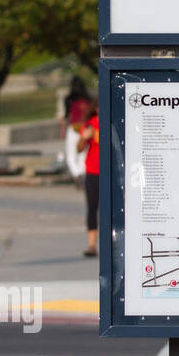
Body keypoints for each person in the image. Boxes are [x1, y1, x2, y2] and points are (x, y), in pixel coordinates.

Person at [78, 99, 100, 257]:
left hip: (111, 173)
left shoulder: (115, 121)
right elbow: (79, 149)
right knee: (92, 208)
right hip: (93, 171)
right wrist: (84, 138)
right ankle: (92, 245)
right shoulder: (90, 125)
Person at [62, 78, 90, 183]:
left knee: (71, 154)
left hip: (73, 128)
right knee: (83, 154)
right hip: (85, 128)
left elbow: (67, 116)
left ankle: (76, 174)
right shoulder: (88, 99)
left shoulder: (69, 99)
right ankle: (82, 174)